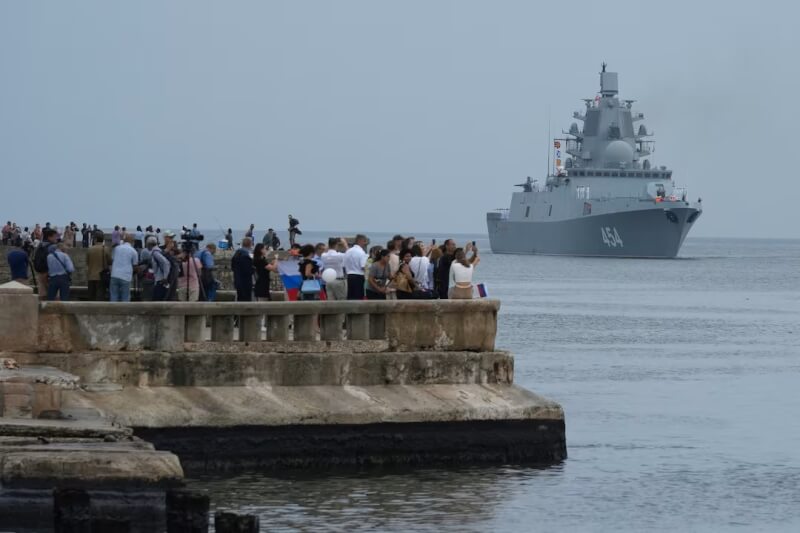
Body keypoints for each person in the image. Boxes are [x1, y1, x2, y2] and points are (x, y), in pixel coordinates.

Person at [109, 235, 138, 302]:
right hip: (126, 276)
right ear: (132, 242)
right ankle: (125, 312)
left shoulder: (116, 248)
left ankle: (113, 311)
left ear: (124, 241)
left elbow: (112, 260)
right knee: (125, 297)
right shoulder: (133, 251)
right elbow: (135, 265)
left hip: (114, 275)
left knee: (113, 296)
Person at [32, 229, 58, 301]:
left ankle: (42, 310)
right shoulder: (52, 247)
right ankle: (54, 310)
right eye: (55, 236)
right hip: (48, 272)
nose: (56, 238)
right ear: (49, 237)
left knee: (42, 292)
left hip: (40, 271)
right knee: (54, 293)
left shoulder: (40, 245)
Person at [86, 233, 111, 301]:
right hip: (101, 276)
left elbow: (87, 262)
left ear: (95, 239)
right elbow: (110, 262)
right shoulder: (105, 249)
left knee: (91, 296)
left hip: (91, 275)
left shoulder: (90, 249)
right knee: (100, 296)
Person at [343, 234, 368, 300]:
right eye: (364, 241)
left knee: (350, 296)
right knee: (358, 296)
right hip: (358, 276)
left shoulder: (348, 251)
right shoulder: (361, 252)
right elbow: (363, 266)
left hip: (349, 276)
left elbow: (344, 264)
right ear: (360, 241)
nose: (365, 244)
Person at [231, 237, 254, 301]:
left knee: (240, 299)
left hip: (237, 280)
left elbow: (232, 267)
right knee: (246, 300)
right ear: (250, 245)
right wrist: (253, 269)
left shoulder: (236, 254)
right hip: (245, 282)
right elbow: (248, 271)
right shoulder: (246, 256)